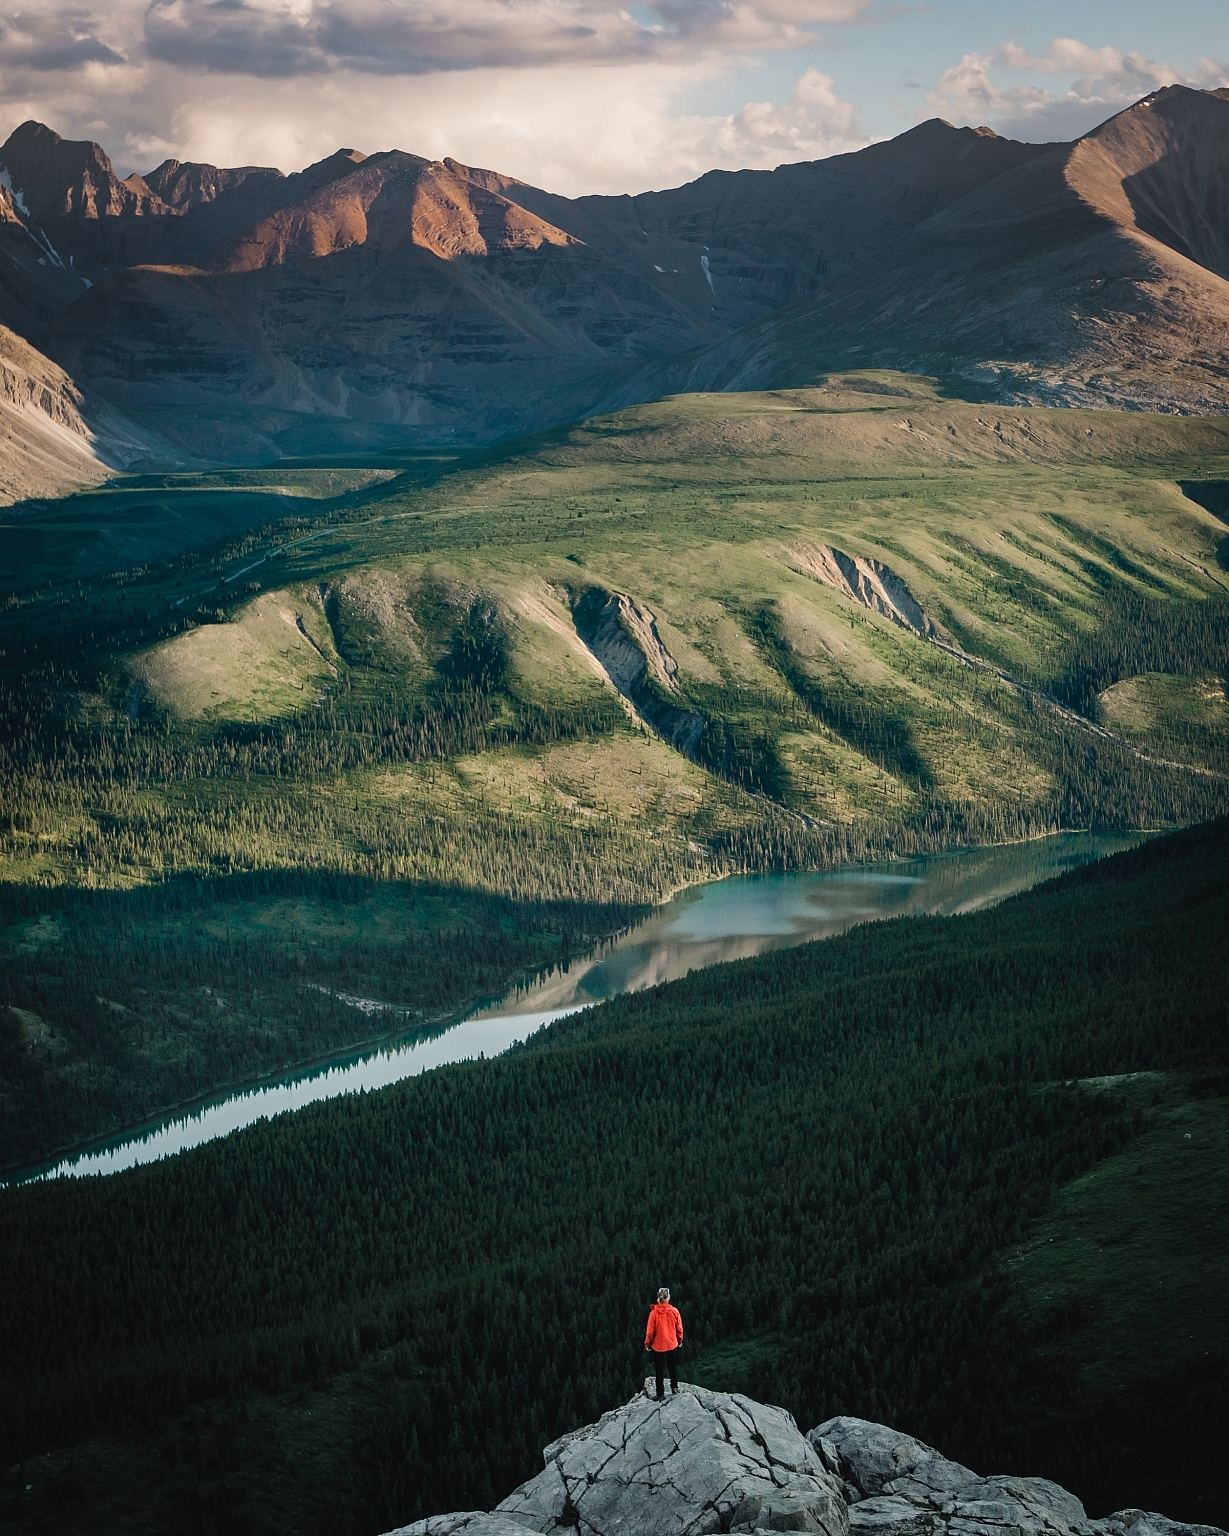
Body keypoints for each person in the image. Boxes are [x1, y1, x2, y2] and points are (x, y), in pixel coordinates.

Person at [644, 1286, 683, 1400]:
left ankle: (660, 1394)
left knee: (659, 1369)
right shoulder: (674, 1311)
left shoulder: (654, 1314)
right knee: (672, 1366)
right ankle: (674, 1387)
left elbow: (650, 1332)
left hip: (658, 1345)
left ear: (658, 1298)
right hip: (672, 1343)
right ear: (668, 1298)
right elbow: (679, 1328)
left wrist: (648, 1344)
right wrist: (679, 1340)